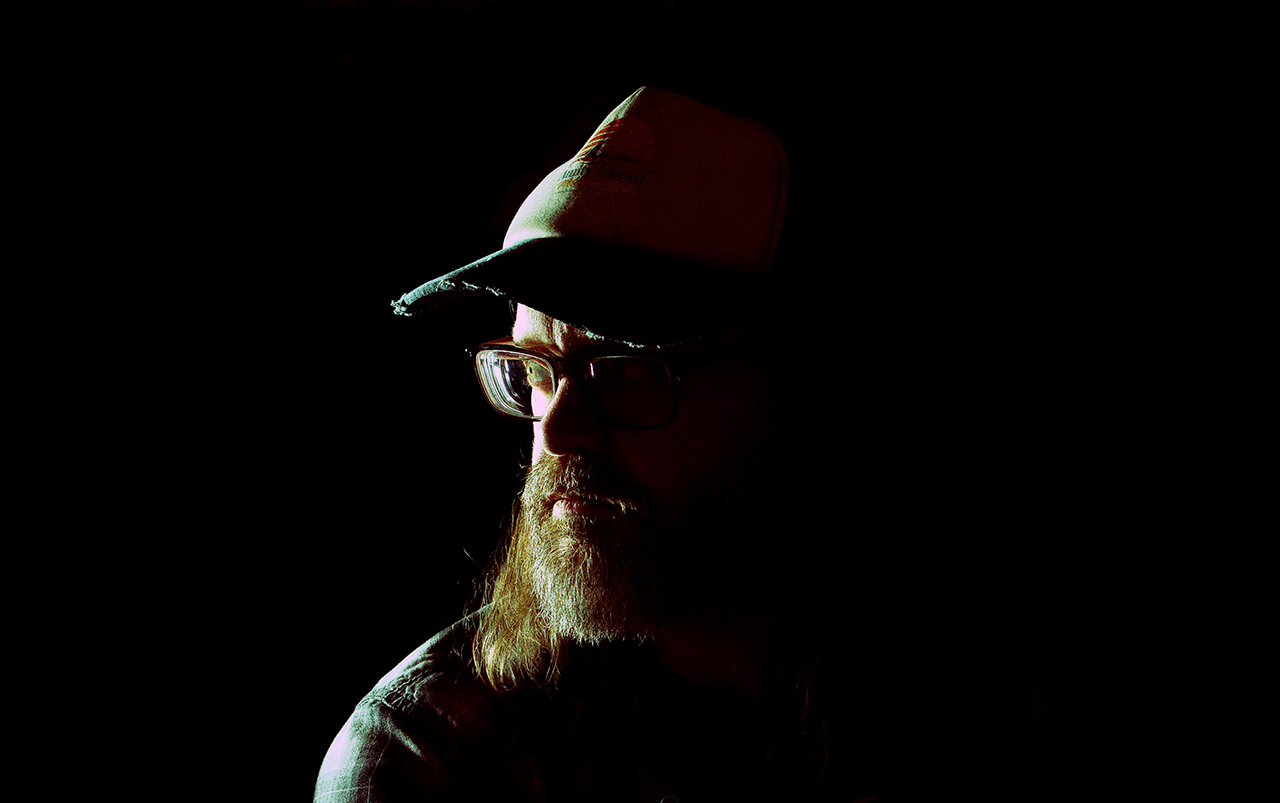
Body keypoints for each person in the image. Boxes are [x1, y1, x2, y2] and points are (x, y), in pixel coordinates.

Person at [315, 86, 1048, 802]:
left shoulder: (973, 707)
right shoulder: (435, 758)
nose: (558, 432)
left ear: (807, 385)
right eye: (533, 371)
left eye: (627, 370)